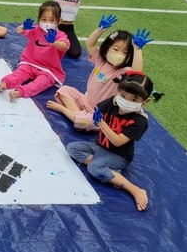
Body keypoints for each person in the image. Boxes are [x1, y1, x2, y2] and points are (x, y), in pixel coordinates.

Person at [67, 71, 161, 211]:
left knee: (94, 168)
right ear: (118, 91)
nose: (126, 101)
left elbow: (117, 141)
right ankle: (112, 172)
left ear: (145, 102)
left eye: (134, 100)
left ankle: (135, 189)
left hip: (119, 156)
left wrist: (101, 123)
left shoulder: (140, 121)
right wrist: (95, 116)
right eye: (123, 96)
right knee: (72, 148)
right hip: (100, 146)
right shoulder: (112, 102)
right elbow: (98, 108)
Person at [47, 16, 151, 131]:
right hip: (86, 101)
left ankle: (69, 113)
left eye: (125, 52)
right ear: (107, 48)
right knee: (65, 90)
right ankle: (79, 117)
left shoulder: (123, 71)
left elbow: (137, 72)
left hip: (102, 112)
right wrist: (100, 29)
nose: (119, 54)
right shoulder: (100, 59)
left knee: (92, 121)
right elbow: (90, 44)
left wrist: (137, 49)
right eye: (115, 49)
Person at [0, 1, 70, 102]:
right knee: (19, 74)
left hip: (48, 69)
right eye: (44, 19)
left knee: (40, 83)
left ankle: (20, 92)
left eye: (52, 20)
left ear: (59, 21)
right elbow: (19, 30)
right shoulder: (36, 29)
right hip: (29, 63)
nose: (47, 22)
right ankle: (5, 83)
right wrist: (23, 27)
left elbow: (65, 45)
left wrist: (54, 42)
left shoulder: (60, 35)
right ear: (39, 19)